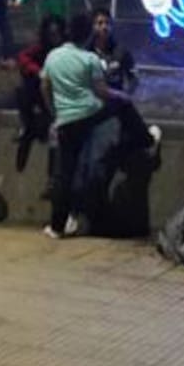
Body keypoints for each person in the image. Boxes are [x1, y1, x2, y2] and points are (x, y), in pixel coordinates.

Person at [40, 12, 129, 239]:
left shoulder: (53, 56)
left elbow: (45, 87)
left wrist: (55, 112)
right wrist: (121, 95)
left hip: (65, 120)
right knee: (123, 108)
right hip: (90, 115)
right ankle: (145, 140)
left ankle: (57, 225)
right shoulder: (89, 59)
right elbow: (101, 91)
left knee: (65, 172)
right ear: (87, 34)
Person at [89, 8, 161, 157]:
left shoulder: (120, 51)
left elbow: (133, 77)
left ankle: (147, 143)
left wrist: (127, 94)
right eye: (99, 23)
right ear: (92, 26)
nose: (104, 27)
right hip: (91, 102)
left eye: (107, 23)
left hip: (115, 101)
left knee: (128, 112)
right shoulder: (86, 52)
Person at [15, 14, 66, 171]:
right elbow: (23, 57)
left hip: (58, 93)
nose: (55, 37)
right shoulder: (41, 48)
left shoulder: (66, 48)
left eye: (57, 33)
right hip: (38, 89)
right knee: (24, 92)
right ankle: (27, 133)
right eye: (51, 34)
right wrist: (38, 71)